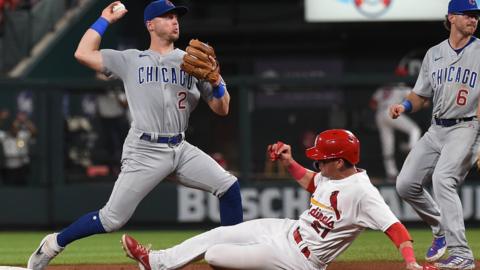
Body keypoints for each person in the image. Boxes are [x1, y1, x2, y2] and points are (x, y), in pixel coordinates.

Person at [27, 1, 243, 269]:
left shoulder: (192, 63)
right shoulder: (130, 59)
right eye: (166, 17)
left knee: (229, 187)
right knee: (111, 220)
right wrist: (104, 19)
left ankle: (234, 258)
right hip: (144, 149)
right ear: (150, 24)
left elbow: (222, 109)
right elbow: (82, 53)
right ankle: (54, 243)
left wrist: (216, 82)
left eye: (176, 16)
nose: (174, 21)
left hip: (180, 146)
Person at [120, 129, 427, 270]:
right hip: (285, 229)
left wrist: (411, 262)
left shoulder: (363, 193)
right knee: (218, 234)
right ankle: (155, 262)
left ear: (342, 161)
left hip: (299, 259)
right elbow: (311, 182)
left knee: (214, 256)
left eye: (323, 159)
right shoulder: (333, 175)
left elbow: (395, 228)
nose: (318, 163)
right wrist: (288, 161)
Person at [389, 0, 480, 268]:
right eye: (468, 15)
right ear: (451, 17)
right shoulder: (434, 54)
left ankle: (461, 254)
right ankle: (440, 227)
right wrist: (403, 106)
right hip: (436, 128)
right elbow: (420, 95)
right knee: (405, 184)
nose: (473, 20)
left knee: (443, 178)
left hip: (466, 126)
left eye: (476, 16)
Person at [370, 83, 421, 182]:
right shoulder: (401, 87)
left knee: (387, 145)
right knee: (414, 129)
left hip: (380, 114)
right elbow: (414, 98)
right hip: (391, 111)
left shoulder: (384, 87)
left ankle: (391, 173)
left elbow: (373, 103)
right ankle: (411, 147)